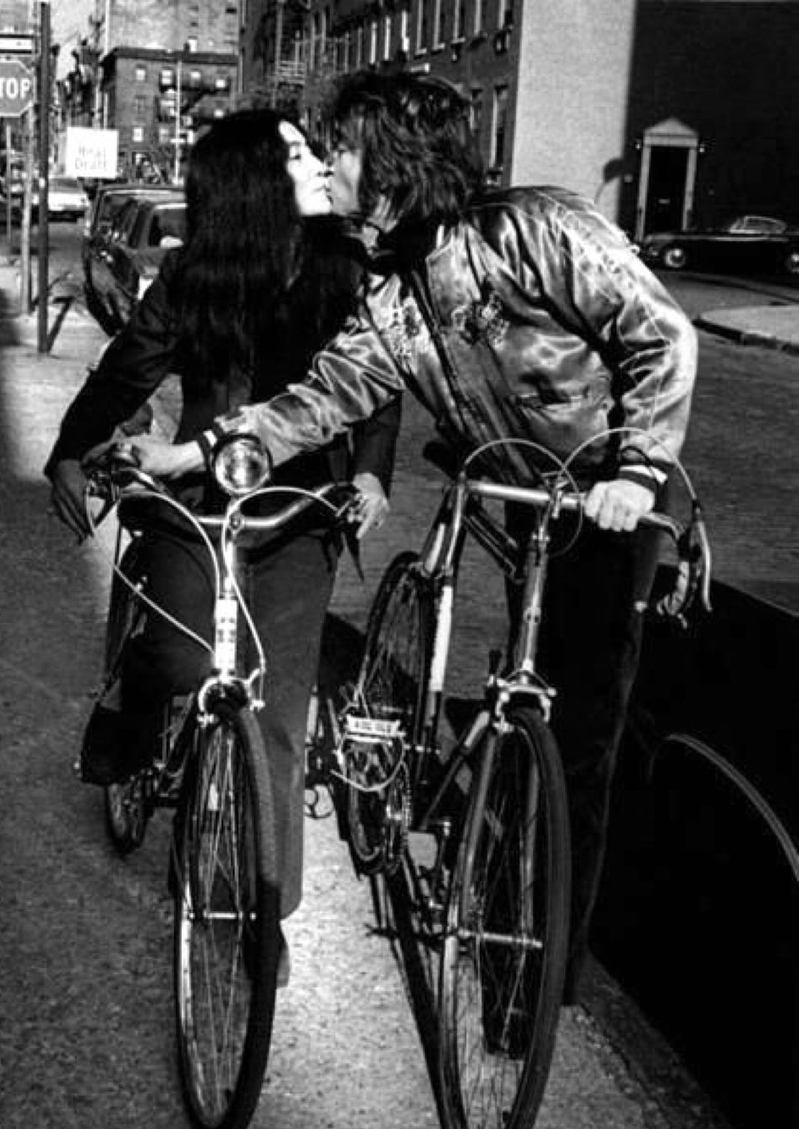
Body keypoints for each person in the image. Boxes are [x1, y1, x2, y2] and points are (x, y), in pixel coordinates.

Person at [123, 71, 699, 1005]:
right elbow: (325, 395)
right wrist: (201, 453)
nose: (326, 164)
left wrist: (634, 473)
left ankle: (537, 977)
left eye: (338, 148)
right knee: (526, 684)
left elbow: (662, 336)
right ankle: (489, 836)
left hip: (610, 493)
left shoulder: (534, 229)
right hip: (515, 483)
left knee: (581, 731)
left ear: (386, 159)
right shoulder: (391, 288)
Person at [46, 109, 400, 953]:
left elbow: (379, 384)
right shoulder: (190, 279)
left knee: (277, 716)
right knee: (175, 656)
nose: (316, 162)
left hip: (296, 514)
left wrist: (373, 470)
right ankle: (129, 715)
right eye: (295, 154)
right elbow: (128, 367)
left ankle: (258, 910)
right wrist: (69, 448)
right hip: (192, 500)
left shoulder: (343, 271)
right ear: (251, 184)